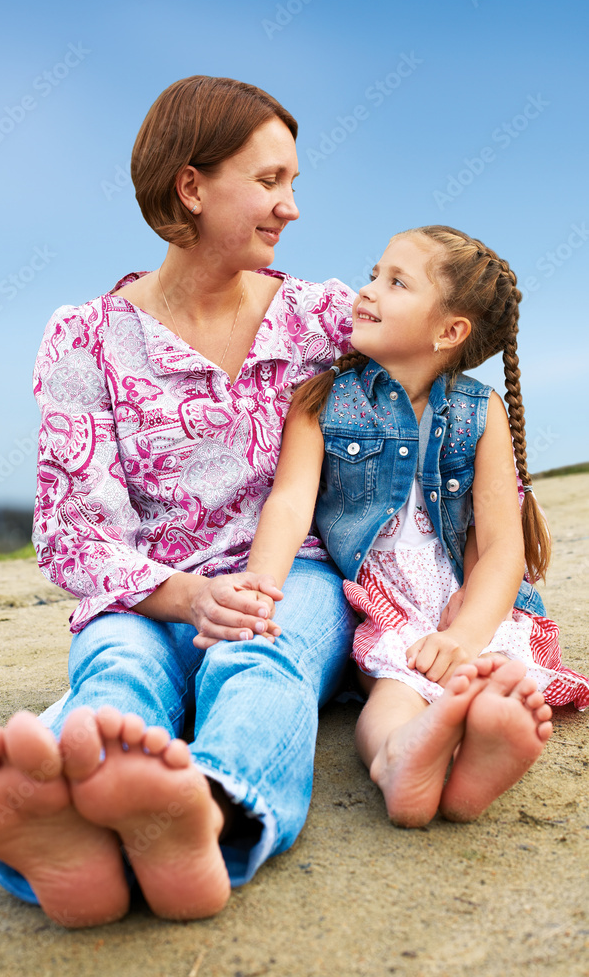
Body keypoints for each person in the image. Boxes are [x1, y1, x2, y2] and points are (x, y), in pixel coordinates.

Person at [0, 76, 360, 928]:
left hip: (283, 578)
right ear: (191, 186)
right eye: (271, 181)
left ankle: (208, 811)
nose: (291, 208)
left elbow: (430, 376)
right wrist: (186, 596)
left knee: (260, 659)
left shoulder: (319, 318)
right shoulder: (87, 338)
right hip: (143, 590)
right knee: (121, 668)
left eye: (293, 181)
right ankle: (78, 843)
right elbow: (73, 533)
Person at [243, 224, 589, 829]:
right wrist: (259, 591)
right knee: (392, 694)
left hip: (470, 600)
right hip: (386, 598)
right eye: (374, 273)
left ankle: (475, 750)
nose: (367, 290)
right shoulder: (322, 400)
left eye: (395, 281)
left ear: (449, 331)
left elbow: (504, 548)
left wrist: (467, 635)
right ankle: (400, 760)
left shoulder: (481, 414)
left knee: (487, 677)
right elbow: (290, 504)